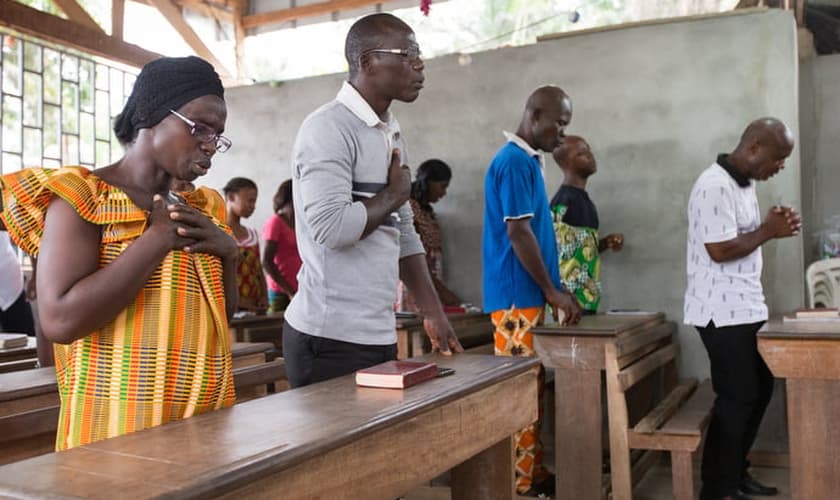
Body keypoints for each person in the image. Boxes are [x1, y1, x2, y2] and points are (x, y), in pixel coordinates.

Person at [0, 56, 238, 450]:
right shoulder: (83, 198)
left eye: (218, 134)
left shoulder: (204, 208)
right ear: (150, 115)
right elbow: (59, 320)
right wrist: (156, 240)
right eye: (199, 127)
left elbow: (218, 319)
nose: (210, 144)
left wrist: (229, 255)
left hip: (200, 426)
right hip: (114, 433)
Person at [284, 13, 462, 389]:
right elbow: (332, 229)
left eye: (418, 53)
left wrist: (433, 311)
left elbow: (404, 232)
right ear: (366, 62)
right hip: (329, 337)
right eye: (406, 53)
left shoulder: (389, 130)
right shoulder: (327, 128)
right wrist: (396, 194)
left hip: (378, 331)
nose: (419, 63)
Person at [684, 117, 800, 500]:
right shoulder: (713, 185)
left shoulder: (743, 184)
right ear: (753, 148)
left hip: (745, 306)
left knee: (759, 390)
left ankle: (735, 473)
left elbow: (742, 236)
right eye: (779, 157)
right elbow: (719, 251)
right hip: (720, 310)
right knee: (736, 399)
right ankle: (717, 489)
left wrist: (770, 225)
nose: (781, 166)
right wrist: (769, 231)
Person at [481, 85, 582, 497]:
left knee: (533, 389)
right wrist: (553, 291)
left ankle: (533, 473)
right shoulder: (514, 162)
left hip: (527, 295)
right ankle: (520, 484)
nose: (562, 134)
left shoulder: (528, 161)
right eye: (559, 123)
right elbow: (519, 233)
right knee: (520, 394)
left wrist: (553, 291)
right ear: (534, 114)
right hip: (514, 296)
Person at [550, 135, 624, 313]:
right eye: (582, 153)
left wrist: (605, 243)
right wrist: (562, 297)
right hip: (570, 303)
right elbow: (555, 252)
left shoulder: (584, 200)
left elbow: (577, 248)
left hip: (587, 299)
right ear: (565, 163)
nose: (590, 155)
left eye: (589, 150)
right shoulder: (564, 202)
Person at [396, 159, 461, 312]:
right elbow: (412, 254)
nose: (444, 193)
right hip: (415, 281)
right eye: (442, 186)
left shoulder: (427, 211)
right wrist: (439, 290)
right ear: (428, 182)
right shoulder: (409, 208)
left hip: (430, 281)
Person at [224, 177, 268, 313]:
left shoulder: (252, 234)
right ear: (231, 197)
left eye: (254, 201)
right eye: (250, 201)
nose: (252, 206)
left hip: (255, 306)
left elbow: (258, 270)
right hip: (230, 307)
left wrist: (264, 297)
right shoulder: (219, 233)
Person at [262, 179, 301, 313]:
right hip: (280, 291)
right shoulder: (275, 223)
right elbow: (267, 262)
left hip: (299, 288)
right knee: (277, 330)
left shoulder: (300, 223)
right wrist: (289, 291)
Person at [0, 216, 35, 336]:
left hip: (10, 286)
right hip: (10, 281)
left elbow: (26, 229)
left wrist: (36, 274)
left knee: (27, 343)